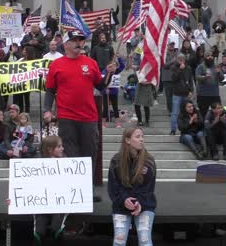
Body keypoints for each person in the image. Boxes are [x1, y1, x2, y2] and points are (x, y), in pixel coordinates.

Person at [44, 31, 116, 202]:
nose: (78, 43)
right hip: (67, 117)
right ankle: (74, 190)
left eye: (81, 40)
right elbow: (50, 90)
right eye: (74, 40)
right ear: (66, 44)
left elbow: (101, 85)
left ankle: (87, 190)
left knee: (89, 153)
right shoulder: (56, 65)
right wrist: (47, 109)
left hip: (89, 117)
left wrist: (110, 73)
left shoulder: (90, 63)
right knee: (71, 154)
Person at [107, 128, 156, 246]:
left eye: (142, 136)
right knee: (119, 241)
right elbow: (113, 187)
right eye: (138, 137)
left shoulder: (149, 161)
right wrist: (124, 199)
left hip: (144, 205)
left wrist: (140, 202)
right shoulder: (116, 160)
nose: (142, 139)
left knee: (145, 241)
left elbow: (149, 188)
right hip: (121, 204)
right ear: (128, 140)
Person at [32, 136, 67, 245]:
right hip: (41, 201)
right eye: (59, 146)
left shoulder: (67, 162)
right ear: (50, 149)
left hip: (60, 201)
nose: (62, 148)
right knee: (39, 232)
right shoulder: (36, 163)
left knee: (56, 229)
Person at [170, 53, 194, 135]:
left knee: (188, 111)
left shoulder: (188, 68)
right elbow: (173, 79)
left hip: (186, 93)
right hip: (176, 93)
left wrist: (191, 90)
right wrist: (180, 70)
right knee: (175, 112)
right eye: (179, 59)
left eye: (182, 59)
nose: (181, 61)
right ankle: (173, 129)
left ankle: (188, 128)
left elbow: (190, 80)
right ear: (177, 60)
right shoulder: (173, 68)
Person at [195, 49, 222, 118]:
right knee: (203, 114)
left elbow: (222, 78)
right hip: (203, 94)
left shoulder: (216, 66)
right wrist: (204, 77)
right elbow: (197, 77)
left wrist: (219, 72)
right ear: (204, 57)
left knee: (219, 113)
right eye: (208, 56)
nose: (210, 57)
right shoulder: (200, 67)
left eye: (211, 56)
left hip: (214, 94)